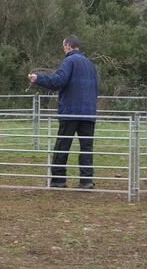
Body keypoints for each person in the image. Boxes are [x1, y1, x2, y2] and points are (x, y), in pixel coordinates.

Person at [28, 35, 98, 189]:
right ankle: (86, 181)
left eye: (63, 47)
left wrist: (38, 79)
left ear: (68, 46)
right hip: (89, 113)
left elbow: (58, 81)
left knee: (62, 145)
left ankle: (58, 180)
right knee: (86, 147)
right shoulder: (90, 65)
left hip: (70, 111)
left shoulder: (69, 61)